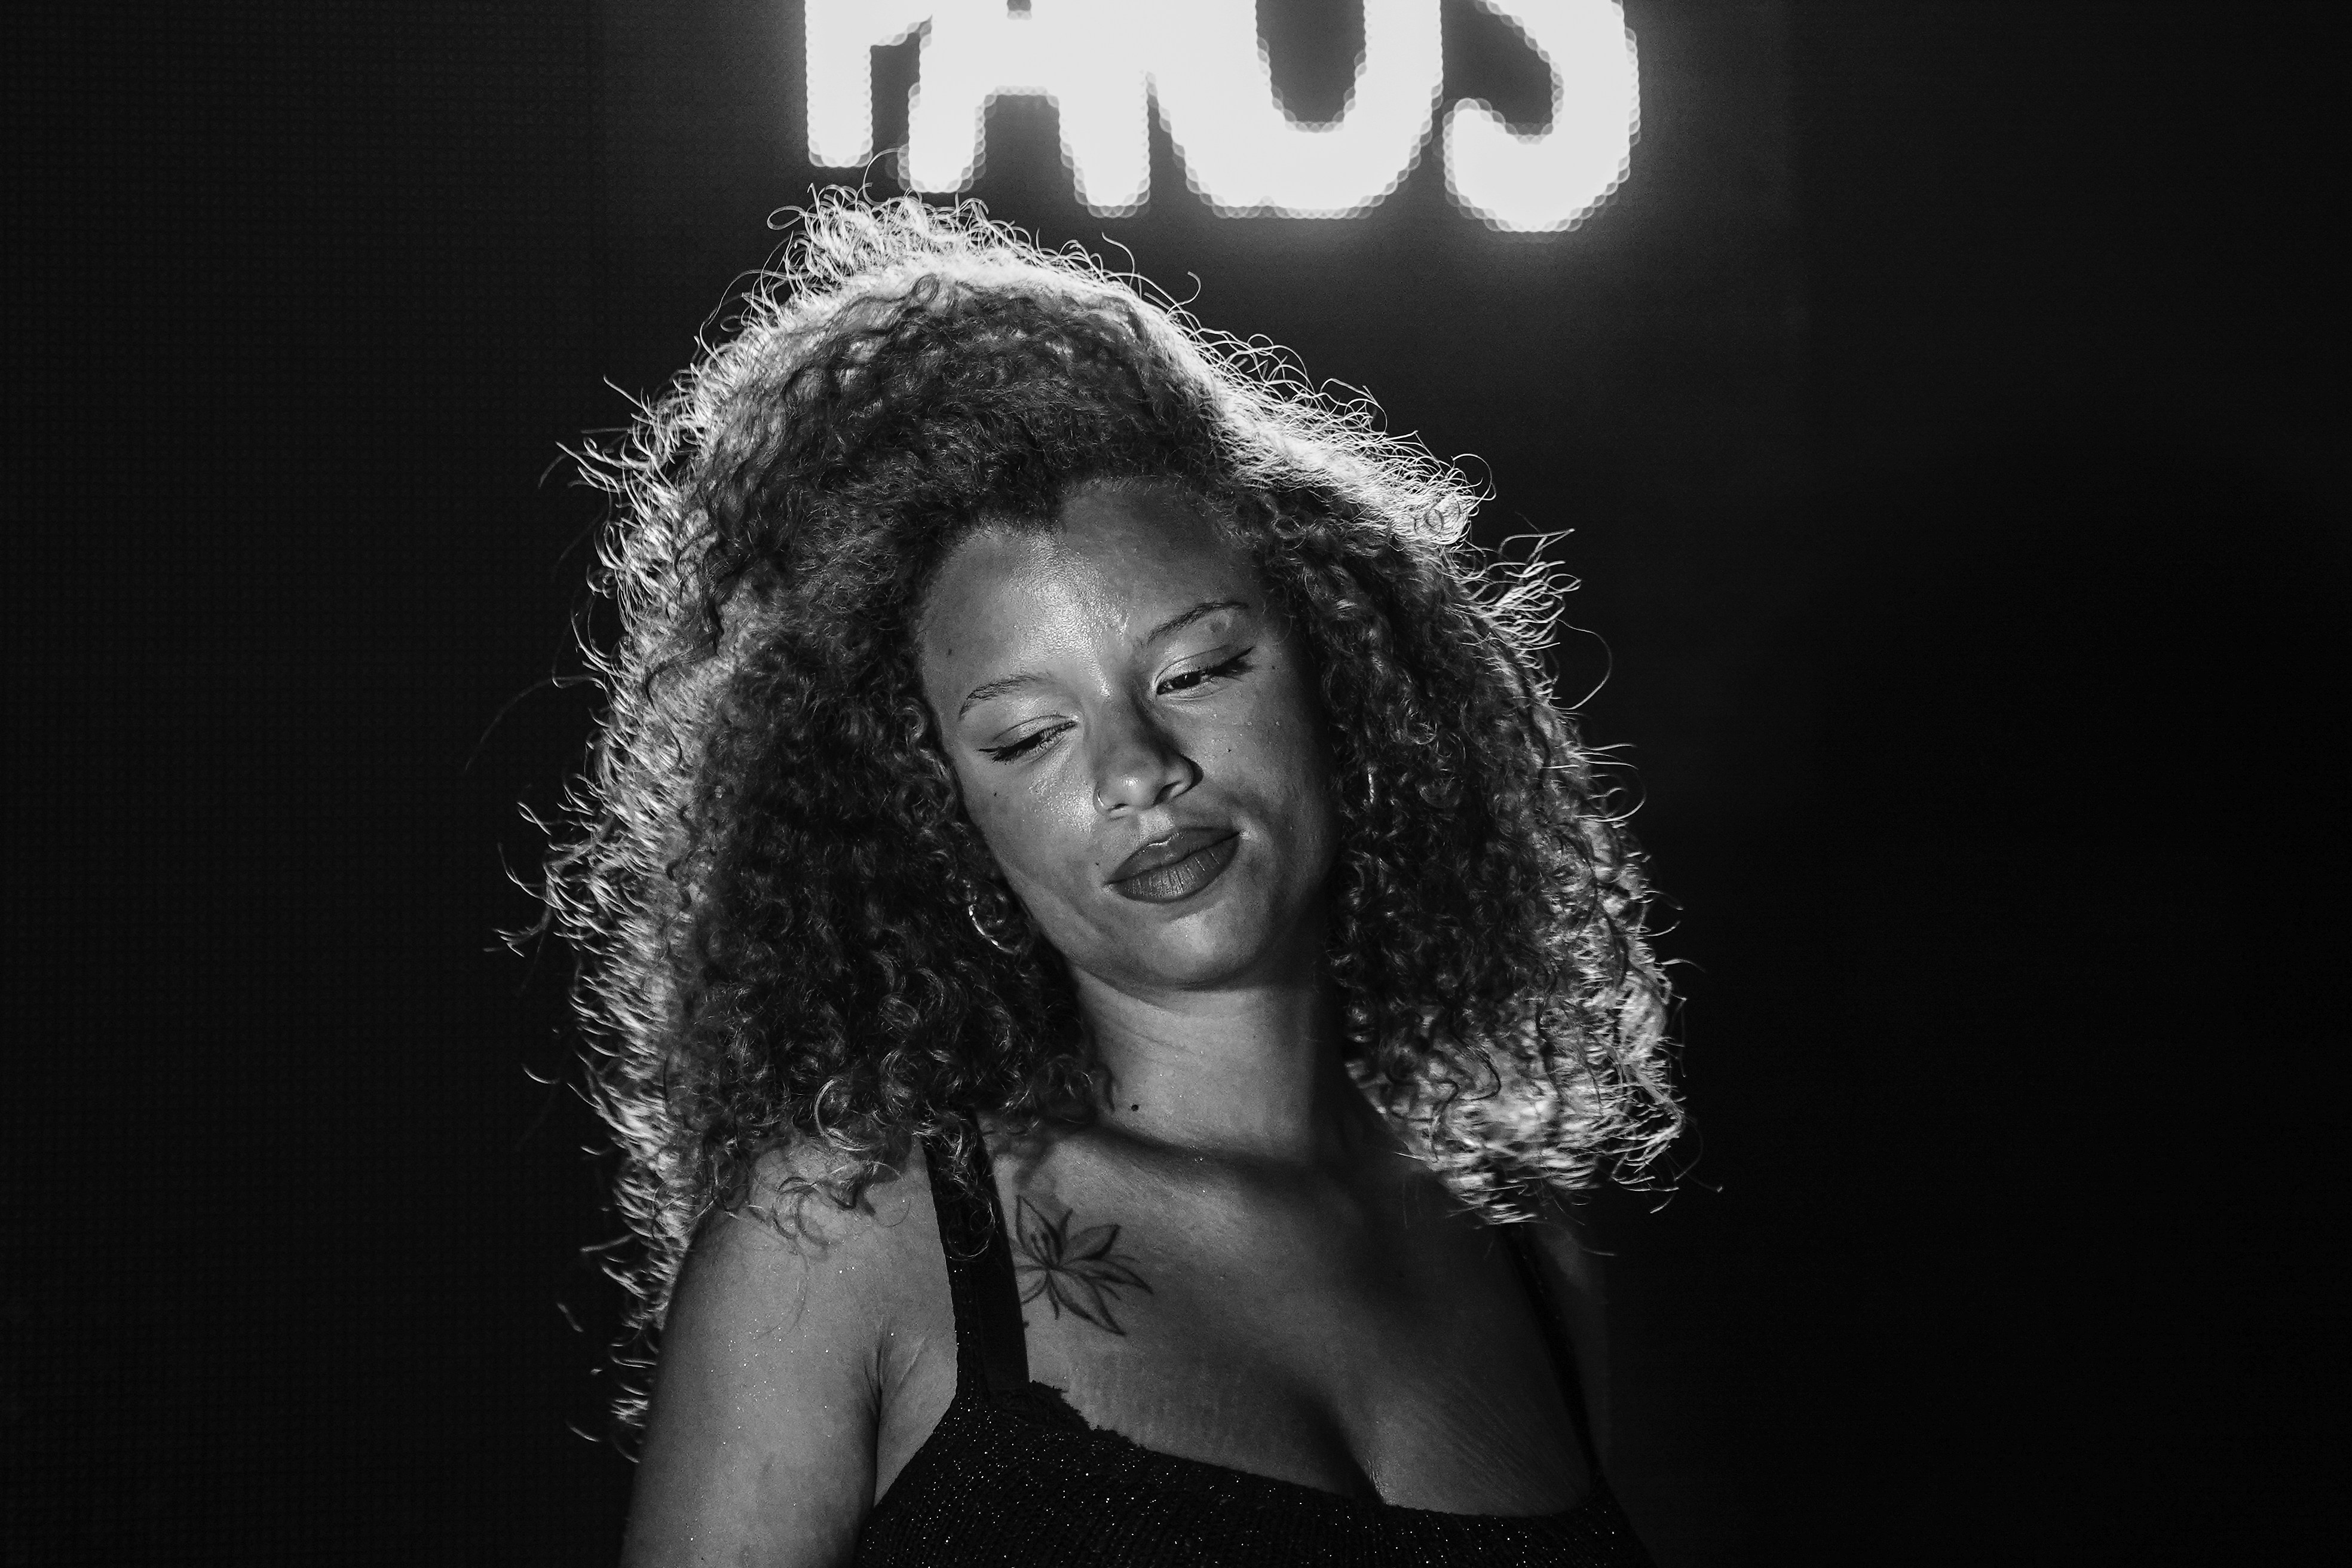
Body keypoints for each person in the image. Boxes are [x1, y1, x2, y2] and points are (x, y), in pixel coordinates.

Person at [537, 192, 1682, 1566]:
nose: (1138, 767)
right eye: (1029, 734)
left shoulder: (1526, 1254)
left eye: (1198, 668)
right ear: (933, 813)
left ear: (1349, 676)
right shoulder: (847, 1245)